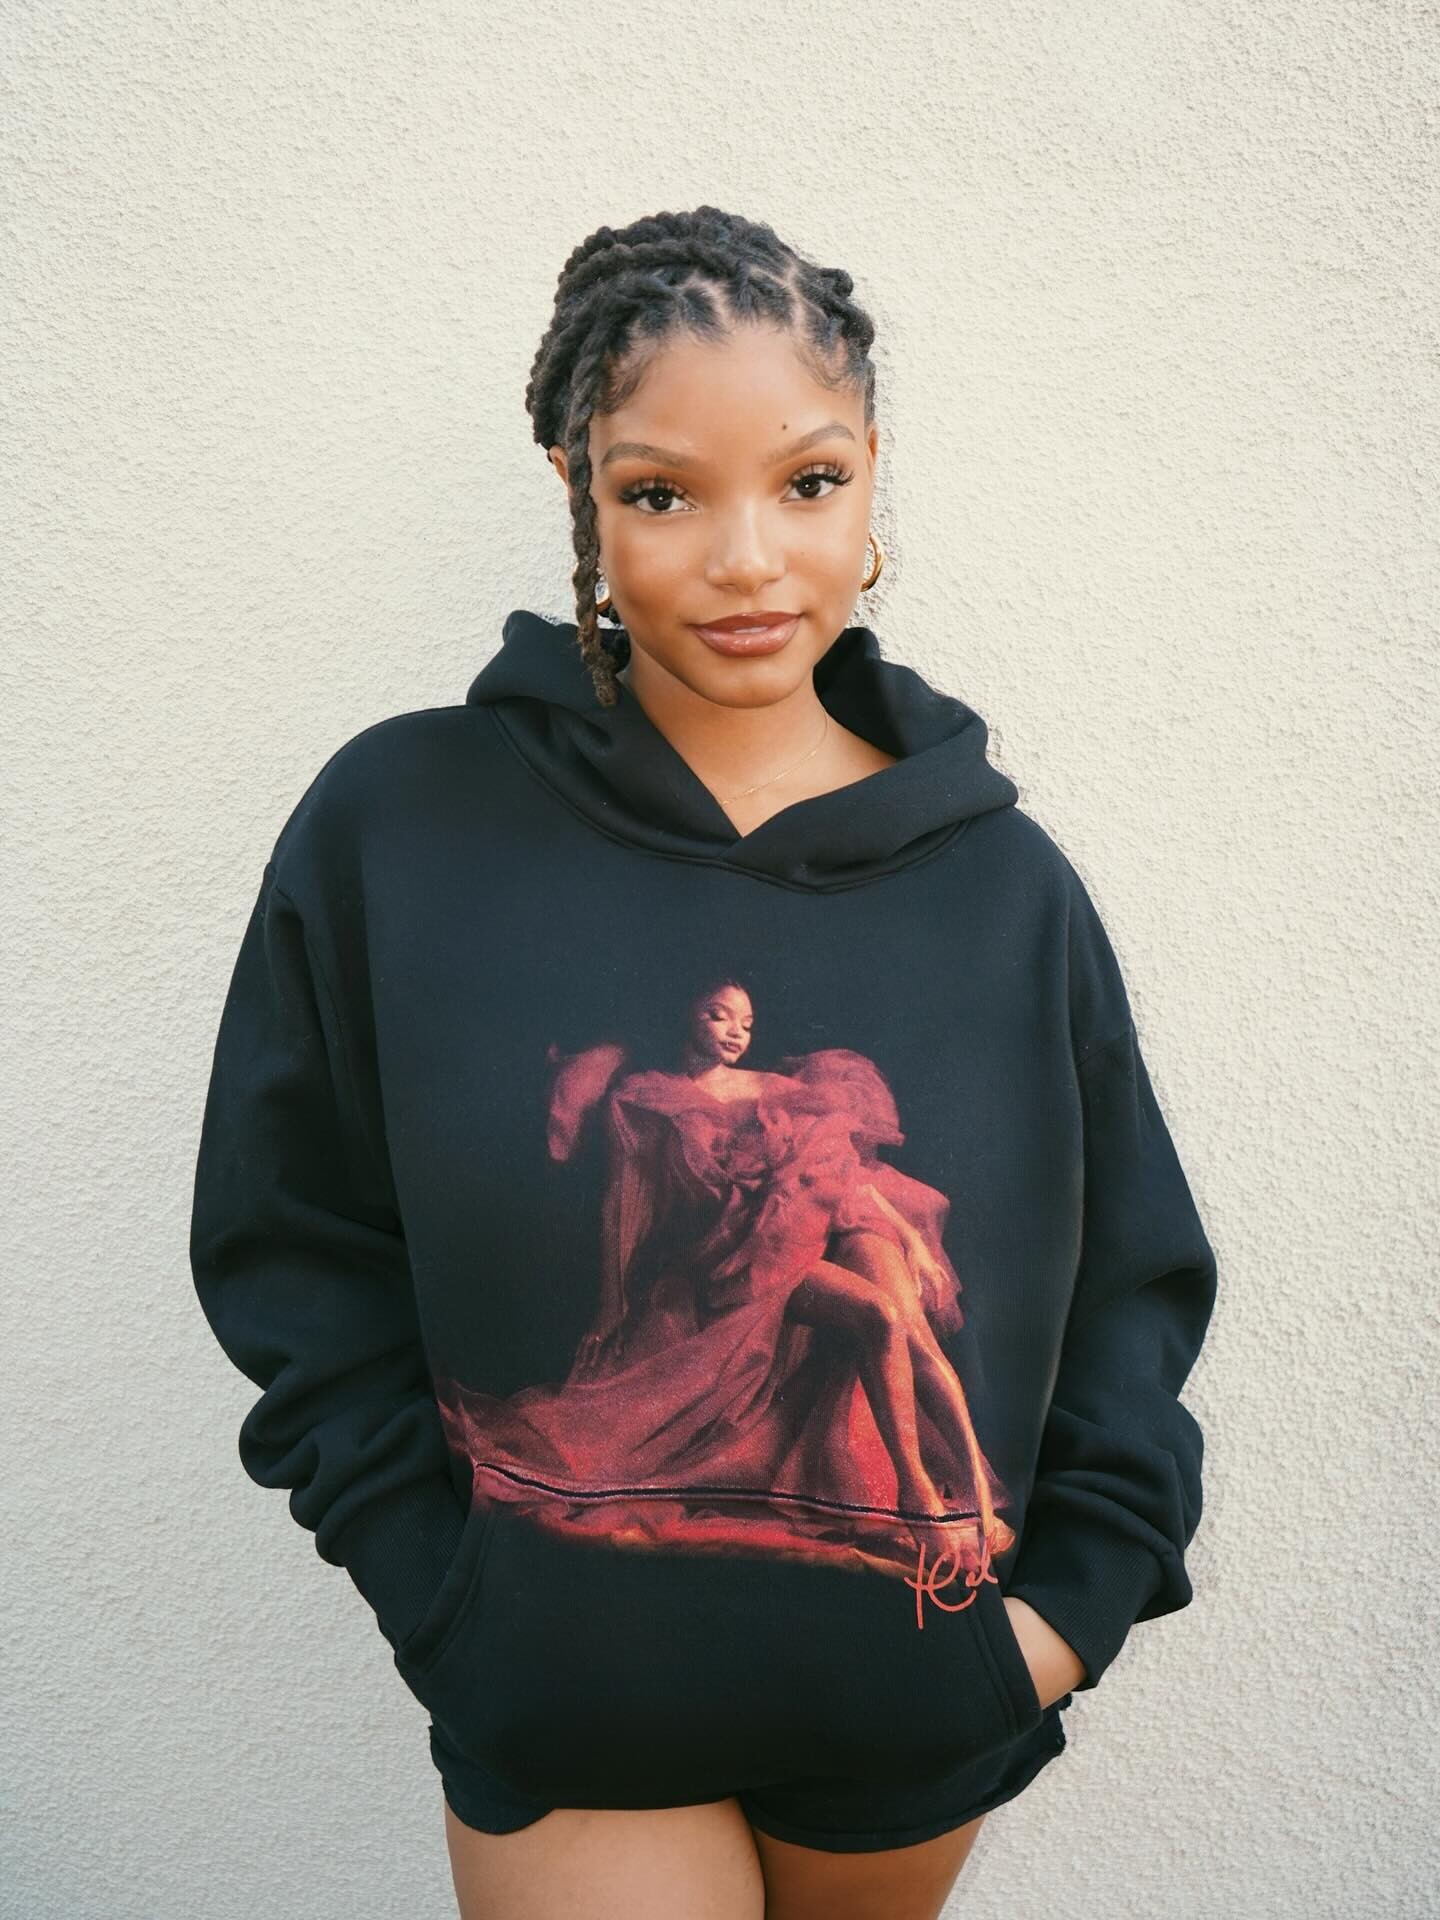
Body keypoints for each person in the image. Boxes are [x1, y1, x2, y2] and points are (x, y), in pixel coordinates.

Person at [190, 205, 1219, 1920]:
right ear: (577, 490)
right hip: (567, 1724)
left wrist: (1056, 1626)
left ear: (872, 478)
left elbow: (1136, 1273)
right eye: (664, 494)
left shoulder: (1002, 886)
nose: (749, 560)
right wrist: (453, 1605)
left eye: (808, 482)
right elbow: (288, 1234)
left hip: (912, 1736)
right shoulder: (404, 824)